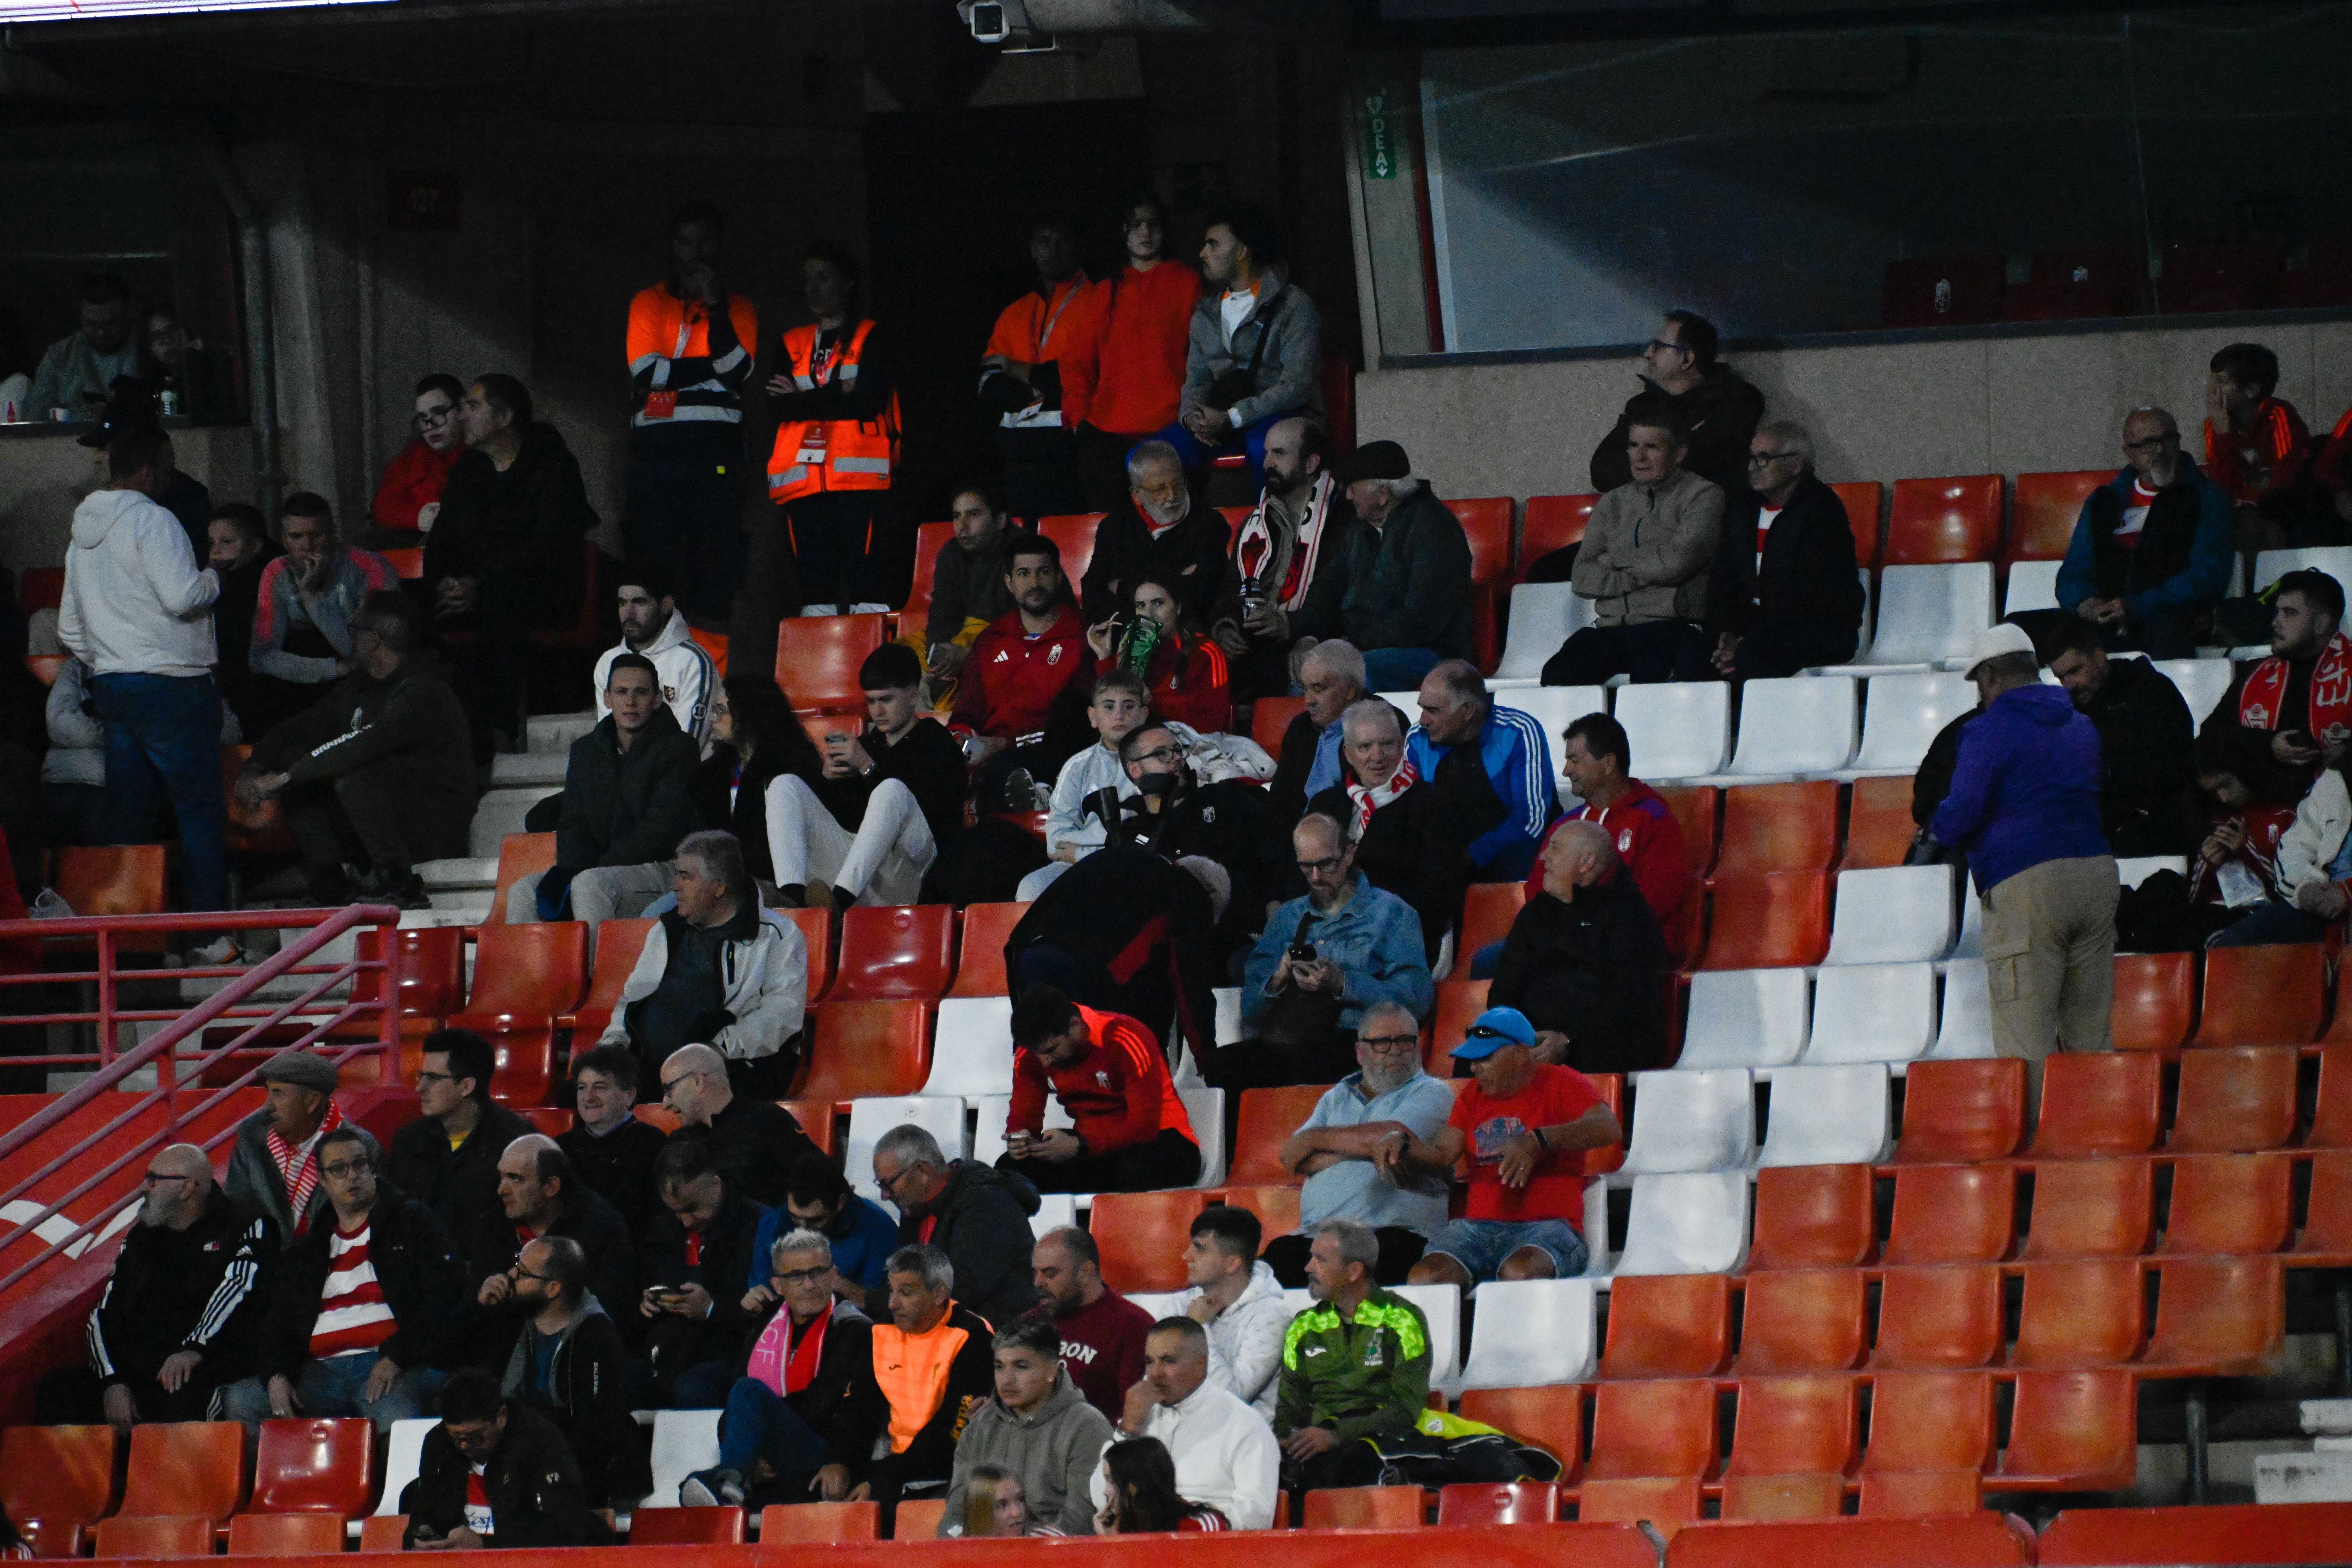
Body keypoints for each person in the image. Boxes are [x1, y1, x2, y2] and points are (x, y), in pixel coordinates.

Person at [56, 424, 229, 954]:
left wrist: (112, 659)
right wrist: (216, 574)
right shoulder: (156, 520)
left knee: (128, 813)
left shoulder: (81, 534)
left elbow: (68, 629)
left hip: (113, 683)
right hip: (173, 683)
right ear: (150, 470)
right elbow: (182, 596)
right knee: (197, 810)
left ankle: (130, 940)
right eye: (169, 467)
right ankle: (209, 937)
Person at [1931, 623, 2117, 1103]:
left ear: (1991, 676)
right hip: (2095, 872)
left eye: (1980, 683)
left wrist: (1937, 829)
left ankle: (2041, 1156)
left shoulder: (1987, 730)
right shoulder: (2080, 724)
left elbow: (1961, 810)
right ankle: (2101, 1146)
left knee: (2025, 1040)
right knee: (2091, 1034)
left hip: (2028, 881)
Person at [237, 590, 476, 908]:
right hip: (382, 820)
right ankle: (331, 878)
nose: (349, 639)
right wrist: (254, 770)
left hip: (434, 822)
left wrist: (284, 779)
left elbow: (362, 744)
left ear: (373, 640)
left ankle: (399, 881)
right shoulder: (358, 687)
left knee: (352, 775)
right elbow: (295, 729)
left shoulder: (423, 690)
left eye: (354, 631)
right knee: (301, 766)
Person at [224, 1124, 462, 1430]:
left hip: (390, 1361)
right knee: (242, 1401)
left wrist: (396, 1358)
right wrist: (276, 1375)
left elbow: (444, 1297)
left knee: (397, 1419)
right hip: (320, 1370)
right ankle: (290, 1479)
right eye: (339, 1169)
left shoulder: (413, 1221)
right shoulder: (309, 1250)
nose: (353, 1175)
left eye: (360, 1164)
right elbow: (279, 1322)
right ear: (322, 1180)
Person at [34, 1143, 275, 1426]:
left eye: (154, 1180)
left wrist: (193, 1349)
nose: (144, 1188)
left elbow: (237, 1290)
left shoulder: (244, 1225)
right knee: (59, 1387)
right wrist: (112, 1380)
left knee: (184, 1389)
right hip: (137, 1370)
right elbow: (104, 1312)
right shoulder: (141, 1237)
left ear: (187, 1188)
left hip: (204, 1364)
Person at [422, 373, 598, 748]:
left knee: (502, 599)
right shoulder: (469, 470)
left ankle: (495, 729)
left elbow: (548, 548)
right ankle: (427, 730)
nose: (463, 415)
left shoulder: (554, 467)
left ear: (503, 417)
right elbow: (443, 538)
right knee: (406, 602)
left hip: (542, 592)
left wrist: (479, 584)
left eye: (472, 406)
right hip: (473, 591)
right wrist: (445, 581)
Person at [1394, 1007, 1619, 1289]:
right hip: (1476, 1229)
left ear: (1522, 1053)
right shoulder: (1472, 1095)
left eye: (1485, 1058)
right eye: (1473, 1060)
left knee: (1520, 1273)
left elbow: (1608, 1127)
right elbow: (1443, 1153)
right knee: (1425, 1278)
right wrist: (1402, 1143)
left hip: (1550, 1227)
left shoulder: (1561, 1081)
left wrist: (1538, 1140)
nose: (1475, 1068)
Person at [1220, 814, 1434, 1090]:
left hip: (1354, 1040)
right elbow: (1250, 1010)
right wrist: (1280, 977)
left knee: (1309, 1067)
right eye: (1307, 867)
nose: (1316, 877)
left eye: (1325, 864)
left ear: (1349, 854)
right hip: (1291, 1036)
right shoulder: (1287, 917)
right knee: (1222, 1067)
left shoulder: (1393, 913)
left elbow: (1416, 1000)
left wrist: (1342, 983)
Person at [625, 201, 758, 623]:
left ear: (718, 247)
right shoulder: (647, 302)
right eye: (685, 242)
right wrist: (712, 369)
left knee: (716, 565)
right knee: (654, 563)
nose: (695, 253)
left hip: (716, 455)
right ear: (672, 248)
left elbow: (738, 370)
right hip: (656, 454)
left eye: (704, 242)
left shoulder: (739, 307)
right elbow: (647, 370)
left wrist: (716, 309)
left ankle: (709, 675)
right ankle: (649, 671)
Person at [595, 832, 808, 1095]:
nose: (674, 885)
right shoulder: (665, 931)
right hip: (649, 1066)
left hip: (727, 1064)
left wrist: (719, 1049)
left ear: (719, 887)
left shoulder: (777, 934)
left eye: (686, 876)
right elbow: (633, 999)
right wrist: (615, 1044)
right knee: (582, 1091)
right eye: (676, 874)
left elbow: (782, 1014)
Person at [1262, 1006, 1456, 1290]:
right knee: (1269, 1269)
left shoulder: (1432, 1091)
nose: (1396, 1051)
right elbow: (1293, 1156)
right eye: (1382, 1042)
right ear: (1360, 1051)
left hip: (1393, 1234)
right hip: (1319, 1236)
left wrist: (1315, 1139)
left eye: (1406, 1040)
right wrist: (1362, 1145)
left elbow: (1391, 1138)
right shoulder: (1335, 1097)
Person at [680, 1228, 874, 1510]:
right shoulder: (764, 1325)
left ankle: (730, 1480)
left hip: (822, 1453)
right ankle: (733, 1480)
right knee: (742, 1394)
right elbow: (737, 1407)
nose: (808, 1284)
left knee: (750, 1391)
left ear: (834, 1275)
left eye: (818, 1272)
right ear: (778, 1284)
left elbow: (830, 1403)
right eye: (796, 1276)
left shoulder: (852, 1328)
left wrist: (761, 1434)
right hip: (778, 1457)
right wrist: (751, 1448)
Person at [761, 240, 901, 616]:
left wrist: (803, 397)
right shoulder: (791, 342)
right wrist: (835, 394)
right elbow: (776, 402)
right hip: (803, 484)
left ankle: (874, 669)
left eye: (823, 278)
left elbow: (867, 400)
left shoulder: (872, 336)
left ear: (848, 283)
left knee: (868, 589)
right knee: (814, 595)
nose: (813, 288)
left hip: (860, 481)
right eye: (808, 279)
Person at [506, 654, 699, 925]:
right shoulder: (586, 751)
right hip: (598, 869)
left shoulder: (679, 749)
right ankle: (529, 969)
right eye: (622, 692)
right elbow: (574, 822)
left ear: (657, 700)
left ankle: (597, 968)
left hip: (663, 868)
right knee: (523, 891)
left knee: (590, 885)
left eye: (641, 692)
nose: (630, 702)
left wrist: (595, 869)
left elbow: (661, 831)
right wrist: (572, 870)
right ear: (607, 698)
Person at [771, 643, 962, 910]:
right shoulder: (867, 745)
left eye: (886, 700)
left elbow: (935, 812)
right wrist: (828, 780)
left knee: (891, 791)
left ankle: (841, 904)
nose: (877, 712)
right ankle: (791, 898)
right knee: (784, 785)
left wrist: (867, 767)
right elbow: (848, 819)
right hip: (862, 873)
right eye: (871, 702)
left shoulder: (936, 740)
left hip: (915, 874)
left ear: (912, 696)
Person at [1003, 839, 1227, 1059]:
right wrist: (1206, 1057)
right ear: (1209, 893)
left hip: (1026, 953)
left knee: (1039, 1060)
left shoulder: (1124, 859)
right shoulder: (1187, 890)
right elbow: (1189, 980)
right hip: (1084, 969)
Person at [2043, 406, 2233, 659]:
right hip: (2105, 616)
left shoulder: (2207, 498)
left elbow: (2207, 575)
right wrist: (2085, 604)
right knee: (2023, 630)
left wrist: (2136, 606)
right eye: (2148, 444)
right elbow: (2074, 571)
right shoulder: (2105, 501)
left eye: (2168, 440)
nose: (2161, 450)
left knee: (2166, 632)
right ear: (2129, 453)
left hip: (2166, 614)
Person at [1548, 413, 1724, 685]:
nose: (1639, 457)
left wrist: (1613, 560)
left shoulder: (1703, 495)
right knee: (1557, 676)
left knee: (1653, 679)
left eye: (1652, 447)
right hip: (1611, 627)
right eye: (1633, 446)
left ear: (1679, 454)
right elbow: (1582, 578)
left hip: (1671, 625)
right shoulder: (1613, 502)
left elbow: (1675, 564)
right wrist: (1647, 573)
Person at [816, 1245, 996, 1507]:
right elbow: (857, 1405)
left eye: (906, 1293)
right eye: (891, 1290)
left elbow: (954, 1430)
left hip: (949, 1470)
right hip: (889, 1466)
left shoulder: (973, 1337)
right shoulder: (882, 1332)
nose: (892, 1304)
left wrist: (881, 1480)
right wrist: (839, 1461)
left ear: (939, 1295)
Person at [1488, 821, 1672, 1073]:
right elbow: (1504, 989)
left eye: (1555, 849)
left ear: (1586, 863)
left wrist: (1568, 1040)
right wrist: (1519, 1038)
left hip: (1602, 1038)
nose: (1543, 857)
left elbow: (1630, 999)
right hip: (1533, 1038)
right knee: (1478, 1057)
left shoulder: (1630, 914)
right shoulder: (1535, 912)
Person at [1292, 441, 1474, 693]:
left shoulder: (1436, 529)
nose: (1347, 496)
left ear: (1383, 495)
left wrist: (1353, 647)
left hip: (1429, 653)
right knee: (1308, 668)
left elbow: (1421, 620)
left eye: (1353, 487)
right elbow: (1328, 587)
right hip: (1363, 646)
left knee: (1341, 677)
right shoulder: (1359, 530)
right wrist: (1309, 636)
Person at [1163, 203, 1320, 492]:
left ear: (1241, 251)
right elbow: (1195, 381)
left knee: (1269, 448)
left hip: (1277, 417)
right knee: (1153, 457)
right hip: (1219, 422)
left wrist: (1233, 417)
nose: (1203, 253)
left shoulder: (1292, 304)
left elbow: (1295, 386)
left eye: (1213, 244)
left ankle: (1273, 528)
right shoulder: (1205, 313)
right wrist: (1192, 419)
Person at [1304, 698, 1470, 965]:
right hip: (1322, 939)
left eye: (1387, 744)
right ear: (1348, 753)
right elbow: (1299, 878)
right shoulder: (1325, 805)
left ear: (1403, 745)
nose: (1378, 756)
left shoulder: (1432, 805)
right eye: (1365, 747)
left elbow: (1437, 896)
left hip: (1392, 945)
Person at [1271, 1218, 1430, 1493]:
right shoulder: (1303, 1326)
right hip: (1316, 1445)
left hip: (1375, 1442)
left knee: (1349, 1464)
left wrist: (1336, 1436)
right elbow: (1290, 1404)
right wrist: (1286, 1440)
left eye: (1320, 1260)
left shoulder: (1404, 1320)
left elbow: (1405, 1409)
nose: (1308, 1268)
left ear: (1355, 1271)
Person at [1066, 192, 1203, 511]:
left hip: (1170, 424)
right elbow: (1076, 362)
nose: (1144, 233)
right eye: (1135, 225)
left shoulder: (1186, 282)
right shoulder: (1104, 291)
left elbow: (1204, 357)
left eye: (1152, 224)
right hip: (1107, 428)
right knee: (1110, 526)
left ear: (1165, 230)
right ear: (1122, 231)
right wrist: (1078, 418)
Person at [1530, 710, 1696, 962]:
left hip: (1634, 946)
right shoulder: (1567, 824)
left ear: (1608, 763)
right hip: (1570, 940)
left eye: (1575, 760)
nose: (1566, 771)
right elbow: (1536, 889)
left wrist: (1586, 927)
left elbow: (1656, 899)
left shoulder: (1653, 818)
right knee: (1496, 959)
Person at [1001, 985, 1201, 1195]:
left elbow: (1143, 1127)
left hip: (1161, 1140)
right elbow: (1024, 1115)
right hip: (1094, 1148)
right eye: (1037, 1054)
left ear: (1075, 1026)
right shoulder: (1031, 1055)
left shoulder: (1125, 1037)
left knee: (1132, 1170)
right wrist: (1021, 1138)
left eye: (1051, 1050)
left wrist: (1080, 1145)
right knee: (1010, 1171)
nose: (1044, 1063)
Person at [950, 532, 1097, 810]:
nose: (1034, 583)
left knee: (1004, 769)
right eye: (1024, 574)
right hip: (992, 759)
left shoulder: (1085, 635)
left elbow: (1082, 720)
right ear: (1010, 582)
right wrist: (962, 744)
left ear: (1057, 578)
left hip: (1057, 757)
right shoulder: (991, 639)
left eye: (1043, 572)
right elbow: (967, 714)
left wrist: (1005, 744)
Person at [1709, 419, 1865, 679]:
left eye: (1764, 458)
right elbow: (1724, 579)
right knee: (1695, 655)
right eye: (1752, 458)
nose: (1753, 468)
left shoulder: (1822, 510)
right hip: (1756, 629)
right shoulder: (1742, 511)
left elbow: (1812, 591)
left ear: (1796, 465)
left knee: (1751, 659)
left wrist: (1748, 640)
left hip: (1818, 629)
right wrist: (1726, 633)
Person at [1211, 416, 1351, 700]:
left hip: (1313, 636)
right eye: (1266, 453)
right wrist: (1225, 625)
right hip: (1254, 637)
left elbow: (1342, 596)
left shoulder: (1343, 518)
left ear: (1311, 464)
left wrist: (1292, 625)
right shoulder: (1257, 521)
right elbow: (1230, 586)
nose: (1267, 464)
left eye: (1280, 453)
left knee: (1291, 666)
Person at [499, 1235, 647, 1504]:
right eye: (516, 1264)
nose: (511, 1274)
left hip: (584, 1474)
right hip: (529, 1457)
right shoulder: (514, 1324)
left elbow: (596, 1432)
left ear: (554, 1288)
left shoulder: (595, 1336)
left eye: (522, 1272)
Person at [1095, 1317, 1279, 1530]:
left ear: (1201, 1365)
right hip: (1143, 1551)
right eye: (1149, 1362)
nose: (1155, 1373)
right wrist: (1128, 1430)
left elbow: (1256, 1518)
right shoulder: (1141, 1417)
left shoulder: (1244, 1424)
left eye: (1169, 1361)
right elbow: (1099, 1498)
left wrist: (1184, 1528)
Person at [938, 1317, 1115, 1537]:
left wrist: (1020, 1555)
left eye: (1021, 1367)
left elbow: (1081, 1521)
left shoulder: (1088, 1428)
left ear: (1053, 1370)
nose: (1007, 1380)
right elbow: (955, 1516)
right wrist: (957, 1547)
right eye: (999, 1367)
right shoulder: (978, 1430)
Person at [384, 1031, 540, 1277]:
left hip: (490, 1282)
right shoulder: (409, 1140)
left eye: (433, 1079)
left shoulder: (517, 1143)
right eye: (421, 1076)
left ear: (466, 1086)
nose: (419, 1088)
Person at [398, 1369, 609, 1549]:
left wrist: (483, 1545)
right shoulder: (438, 1443)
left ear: (501, 1417)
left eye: (474, 1437)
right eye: (456, 1438)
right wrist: (423, 1538)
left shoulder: (540, 1443)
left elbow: (565, 1529)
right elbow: (423, 1512)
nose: (463, 1446)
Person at [245, 492, 399, 733]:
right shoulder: (278, 572)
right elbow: (261, 656)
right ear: (285, 540)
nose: (307, 547)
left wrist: (312, 598)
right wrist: (333, 669)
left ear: (333, 533)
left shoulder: (370, 568)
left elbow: (371, 652)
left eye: (317, 535)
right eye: (297, 537)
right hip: (321, 673)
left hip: (366, 675)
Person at [636, 1138, 770, 1408]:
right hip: (670, 1348)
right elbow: (647, 1283)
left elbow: (768, 1315)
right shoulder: (662, 1230)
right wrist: (648, 1302)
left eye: (692, 1209)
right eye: (676, 1212)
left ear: (716, 1184)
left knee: (692, 1388)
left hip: (731, 1352)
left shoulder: (759, 1225)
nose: (686, 1222)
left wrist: (711, 1309)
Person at [2046, 621, 2198, 856]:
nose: (2069, 686)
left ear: (2099, 657)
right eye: (2061, 678)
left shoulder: (2152, 691)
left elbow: (2175, 766)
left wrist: (2104, 771)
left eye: (2075, 671)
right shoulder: (2068, 714)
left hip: (2157, 826)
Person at [2201, 569, 2352, 806]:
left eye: (2290, 613)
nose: (2275, 622)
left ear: (2322, 624)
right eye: (2277, 612)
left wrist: (2345, 757)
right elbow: (2210, 738)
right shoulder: (2254, 673)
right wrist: (2269, 745)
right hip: (2261, 812)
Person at [473, 1136, 638, 1346]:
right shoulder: (492, 1226)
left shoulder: (602, 1228)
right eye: (502, 1177)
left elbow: (615, 1316)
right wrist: (481, 1300)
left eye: (516, 1179)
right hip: (503, 1354)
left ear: (551, 1186)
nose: (502, 1190)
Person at [871, 1126, 1040, 1330]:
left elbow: (963, 1289)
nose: (885, 1196)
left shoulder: (987, 1203)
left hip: (1000, 1338)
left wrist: (865, 1298)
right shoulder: (914, 1209)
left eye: (888, 1185)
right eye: (881, 1187)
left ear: (922, 1172)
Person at [981, 216, 1095, 521]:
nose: (1053, 251)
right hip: (1017, 459)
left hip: (1072, 457)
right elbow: (987, 382)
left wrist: (1018, 371)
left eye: (1062, 241)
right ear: (1033, 248)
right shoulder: (1015, 312)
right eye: (1045, 242)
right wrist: (1032, 385)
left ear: (1078, 247)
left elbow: (1077, 375)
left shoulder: (1097, 302)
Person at [1588, 310, 1763, 497]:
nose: (1648, 354)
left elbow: (1704, 464)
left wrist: (1645, 468)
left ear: (1687, 359)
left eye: (1658, 347)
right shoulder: (1643, 406)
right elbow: (1603, 471)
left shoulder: (1736, 401)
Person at [1408, 661, 1557, 882]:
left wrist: (1471, 857)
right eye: (1422, 708)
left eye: (1432, 711)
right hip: (1450, 862)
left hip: (1516, 863)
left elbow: (1531, 821)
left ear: (1467, 711)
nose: (1423, 720)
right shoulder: (1417, 740)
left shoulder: (1518, 732)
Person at [222, 1048, 382, 1246]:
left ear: (312, 1103)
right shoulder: (252, 1136)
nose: (268, 1105)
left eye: (278, 1094)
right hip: (265, 1261)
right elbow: (236, 1210)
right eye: (269, 1092)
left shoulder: (361, 1147)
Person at [2204, 756, 2352, 949]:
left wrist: (2347, 891)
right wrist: (2304, 887)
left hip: (2345, 894)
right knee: (2232, 947)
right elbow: (2296, 845)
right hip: (2321, 899)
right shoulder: (2334, 781)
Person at [1081, 442, 1231, 630]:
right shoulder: (1113, 529)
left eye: (1177, 484)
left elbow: (1204, 594)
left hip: (1187, 639)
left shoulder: (1210, 524)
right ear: (1137, 495)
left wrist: (1123, 589)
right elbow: (1094, 594)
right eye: (1160, 489)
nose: (1172, 496)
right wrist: (1176, 582)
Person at [657, 1042, 824, 1209]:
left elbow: (821, 1185)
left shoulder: (769, 1122)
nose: (665, 1104)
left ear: (698, 1082)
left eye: (669, 1090)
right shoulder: (678, 1144)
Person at [1031, 670, 1155, 888]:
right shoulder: (1077, 767)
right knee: (1033, 886)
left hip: (1139, 862)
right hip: (1082, 864)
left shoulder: (1163, 757)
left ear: (1144, 714)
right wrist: (1087, 857)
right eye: (1109, 707)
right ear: (1093, 717)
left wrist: (1082, 853)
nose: (1119, 716)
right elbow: (1057, 841)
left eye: (1128, 706)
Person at [1166, 1207, 1288, 1417]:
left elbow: (1233, 1398)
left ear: (1233, 1264)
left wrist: (1196, 1328)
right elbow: (1159, 1384)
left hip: (1243, 1440)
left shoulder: (1271, 1316)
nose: (1186, 1256)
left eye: (1200, 1248)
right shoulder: (1178, 1306)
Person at [745, 1153, 900, 1315]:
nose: (803, 1229)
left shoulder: (878, 1229)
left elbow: (882, 1305)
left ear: (841, 1202)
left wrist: (839, 1285)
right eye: (795, 1218)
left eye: (815, 1221)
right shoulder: (772, 1225)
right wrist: (757, 1300)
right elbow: (762, 1289)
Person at [1028, 1226, 1153, 1422]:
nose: (1038, 1283)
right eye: (1035, 1273)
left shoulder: (1133, 1326)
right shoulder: (1029, 1323)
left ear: (1086, 1272)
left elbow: (1136, 1411)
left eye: (1050, 1274)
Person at [912, 483, 1022, 706]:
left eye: (974, 515)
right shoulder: (952, 552)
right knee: (899, 658)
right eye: (957, 516)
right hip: (960, 645)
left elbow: (1025, 626)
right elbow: (942, 614)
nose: (962, 526)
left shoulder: (1024, 552)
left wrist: (968, 654)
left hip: (1006, 650)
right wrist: (940, 655)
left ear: (1001, 521)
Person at [594, 562, 717, 753]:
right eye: (622, 603)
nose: (629, 613)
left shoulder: (693, 661)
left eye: (639, 602)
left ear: (666, 606)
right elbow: (609, 741)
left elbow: (687, 748)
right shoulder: (608, 662)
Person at [1086, 578, 1231, 736]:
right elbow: (1111, 713)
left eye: (1158, 603)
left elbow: (1213, 724)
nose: (1149, 614)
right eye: (1141, 606)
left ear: (1178, 608)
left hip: (1190, 748)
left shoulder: (1206, 652)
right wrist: (1105, 657)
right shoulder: (1132, 648)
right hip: (1137, 745)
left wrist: (1151, 701)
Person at [557, 1044, 668, 1240]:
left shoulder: (651, 1144)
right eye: (583, 1088)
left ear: (629, 1095)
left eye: (600, 1087)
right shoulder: (562, 1147)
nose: (589, 1097)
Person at [2204, 341, 2312, 534]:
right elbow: (2221, 486)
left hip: (2281, 513)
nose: (2213, 390)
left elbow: (2286, 477)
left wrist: (2249, 502)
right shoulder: (2217, 424)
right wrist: (2223, 434)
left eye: (2222, 383)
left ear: (2251, 391)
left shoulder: (2277, 415)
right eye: (2213, 381)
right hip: (2238, 515)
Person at [1266, 639, 1372, 823]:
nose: (1309, 701)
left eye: (1319, 689)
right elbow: (1280, 800)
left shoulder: (1381, 723)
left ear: (1350, 690)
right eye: (1305, 689)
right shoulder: (1301, 728)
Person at [204, 501, 279, 734]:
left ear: (256, 546)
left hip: (268, 692)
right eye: (212, 544)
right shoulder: (218, 581)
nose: (216, 552)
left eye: (228, 542)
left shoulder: (275, 581)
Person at [368, 374, 467, 542]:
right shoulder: (411, 458)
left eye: (439, 413)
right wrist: (418, 517)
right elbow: (382, 507)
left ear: (461, 411)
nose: (430, 425)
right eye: (423, 418)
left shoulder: (482, 453)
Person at [28, 273, 139, 421]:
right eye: (93, 325)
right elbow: (36, 422)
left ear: (129, 315)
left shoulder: (148, 349)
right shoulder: (60, 356)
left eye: (111, 324)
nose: (102, 333)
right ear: (81, 319)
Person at [1093, 1436, 1233, 1533]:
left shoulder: (1201, 1525)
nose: (1106, 1492)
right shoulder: (1120, 1528)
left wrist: (1115, 1545)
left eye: (1111, 1481)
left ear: (1135, 1484)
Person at [946, 1465, 1055, 1538]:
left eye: (1020, 1500)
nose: (1016, 1513)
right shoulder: (957, 1548)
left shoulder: (1048, 1541)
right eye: (1002, 1505)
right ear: (979, 1512)